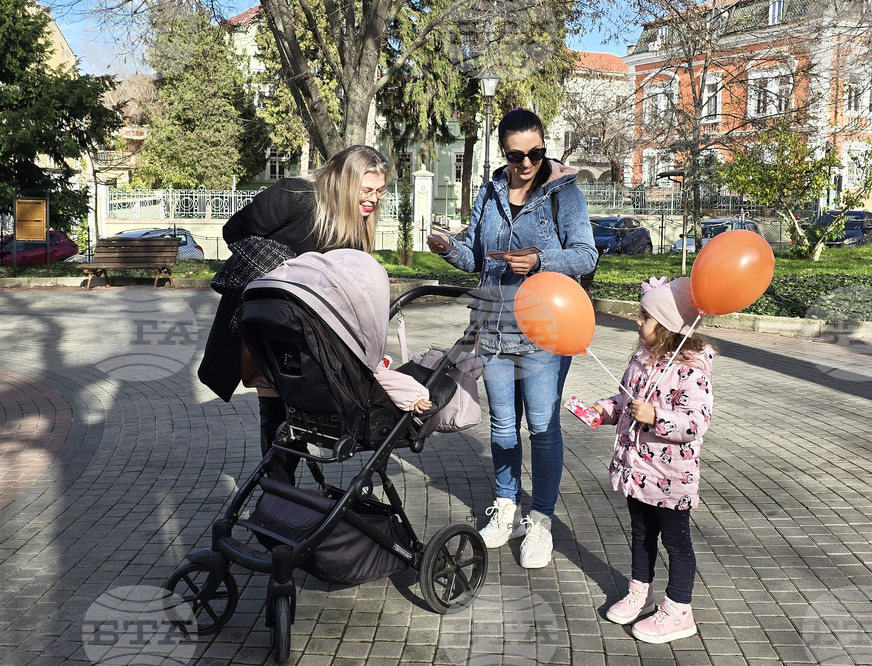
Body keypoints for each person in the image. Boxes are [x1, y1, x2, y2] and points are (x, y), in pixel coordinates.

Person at [427, 108, 598, 568]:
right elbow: (477, 260)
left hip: (545, 329)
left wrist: (540, 262)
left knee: (542, 429)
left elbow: (586, 255)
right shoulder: (490, 192)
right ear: (503, 152)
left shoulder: (565, 194)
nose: (527, 163)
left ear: (545, 148)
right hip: (495, 327)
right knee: (503, 428)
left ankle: (539, 521)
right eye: (517, 154)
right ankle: (506, 509)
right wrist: (449, 249)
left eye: (536, 153)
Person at [198, 145, 390, 481]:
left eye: (379, 191)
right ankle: (277, 493)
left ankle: (281, 495)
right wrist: (282, 271)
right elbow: (235, 231)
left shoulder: (357, 223)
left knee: (303, 413)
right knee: (277, 409)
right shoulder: (295, 195)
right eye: (366, 191)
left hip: (315, 332)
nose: (373, 199)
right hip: (270, 323)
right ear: (345, 183)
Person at [590, 277, 715, 644]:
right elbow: (628, 399)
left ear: (666, 327)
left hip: (670, 476)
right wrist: (606, 408)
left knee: (676, 542)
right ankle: (639, 590)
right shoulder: (642, 360)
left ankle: (679, 610)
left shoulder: (692, 371)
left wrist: (656, 417)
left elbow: (695, 423)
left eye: (644, 317)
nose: (637, 322)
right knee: (641, 533)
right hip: (636, 469)